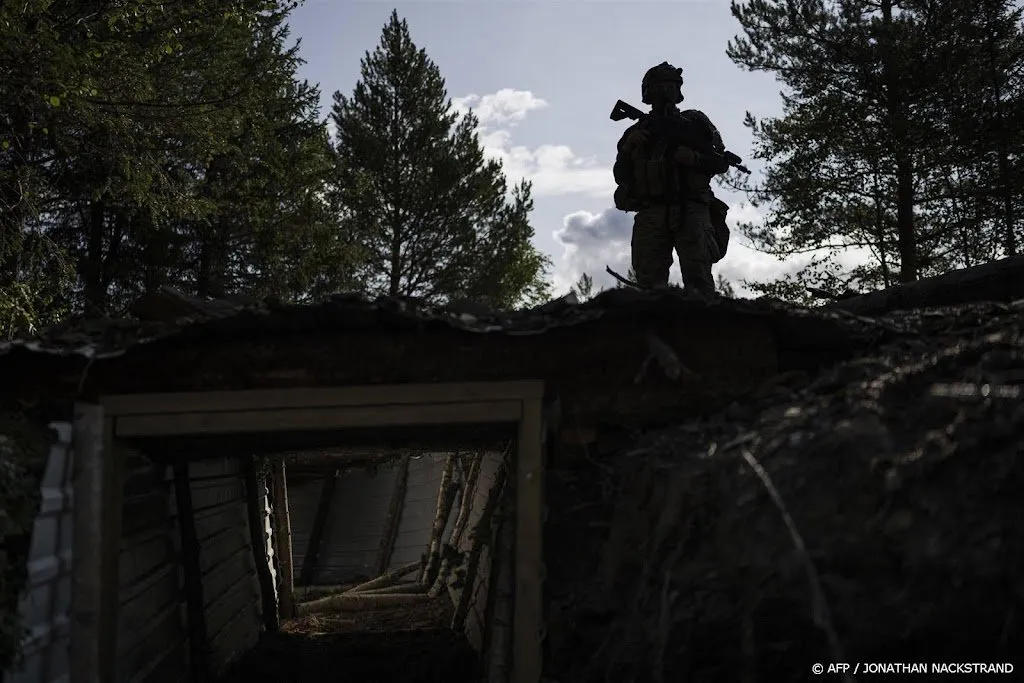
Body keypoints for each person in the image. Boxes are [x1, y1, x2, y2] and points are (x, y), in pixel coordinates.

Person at [612, 62, 730, 296]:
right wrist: (628, 149)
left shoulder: (695, 124)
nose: (665, 92)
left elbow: (720, 161)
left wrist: (694, 159)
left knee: (698, 279)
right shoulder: (636, 132)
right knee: (649, 282)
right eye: (660, 86)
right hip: (651, 211)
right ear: (649, 91)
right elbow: (620, 176)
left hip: (691, 208)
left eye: (670, 86)